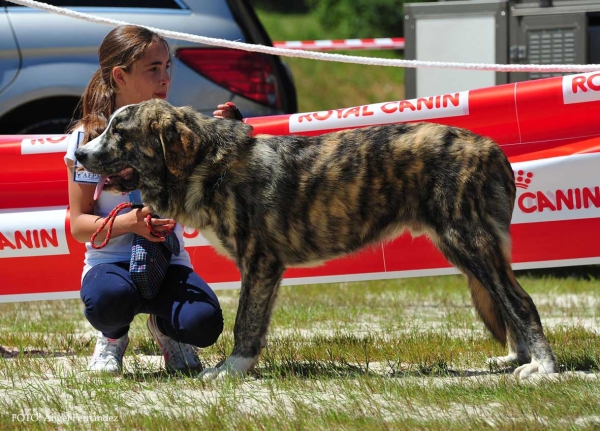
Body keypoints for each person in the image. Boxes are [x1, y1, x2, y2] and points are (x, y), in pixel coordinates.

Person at [64, 25, 240, 374]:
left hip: (168, 262)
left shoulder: (176, 128)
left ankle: (168, 329)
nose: (165, 79)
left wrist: (230, 137)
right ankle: (112, 338)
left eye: (167, 67)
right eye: (153, 69)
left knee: (203, 323)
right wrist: (128, 224)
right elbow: (79, 225)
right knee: (109, 301)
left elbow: (218, 190)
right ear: (120, 76)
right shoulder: (90, 137)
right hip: (110, 265)